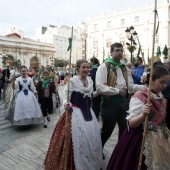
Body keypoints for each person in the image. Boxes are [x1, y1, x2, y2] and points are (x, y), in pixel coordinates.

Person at [107, 65, 170, 170]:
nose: (164, 86)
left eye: (166, 82)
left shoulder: (160, 95)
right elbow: (132, 123)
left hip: (160, 137)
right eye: (161, 82)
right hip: (140, 139)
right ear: (151, 80)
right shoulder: (140, 96)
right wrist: (143, 115)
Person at [44, 59, 102, 170]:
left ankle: (90, 162)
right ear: (78, 69)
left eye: (88, 67)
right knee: (77, 139)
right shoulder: (73, 81)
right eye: (83, 67)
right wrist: (66, 105)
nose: (86, 69)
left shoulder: (90, 80)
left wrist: (99, 91)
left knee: (91, 138)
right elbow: (65, 96)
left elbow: (89, 96)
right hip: (75, 114)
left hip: (89, 114)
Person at [95, 43, 143, 151]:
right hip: (109, 104)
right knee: (107, 131)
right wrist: (117, 91)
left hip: (125, 104)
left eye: (121, 50)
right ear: (111, 52)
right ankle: (98, 150)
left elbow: (130, 87)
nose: (119, 52)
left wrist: (144, 88)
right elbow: (99, 87)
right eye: (117, 50)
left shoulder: (124, 67)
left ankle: (119, 155)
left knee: (124, 131)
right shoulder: (104, 66)